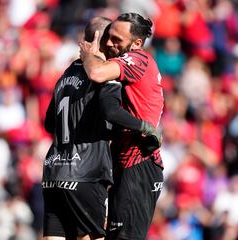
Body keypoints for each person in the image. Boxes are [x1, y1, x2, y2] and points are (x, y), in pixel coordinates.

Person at [42, 17, 160, 240]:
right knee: (92, 237)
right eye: (109, 38)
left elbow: (49, 123)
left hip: (53, 170)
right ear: (99, 39)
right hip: (86, 171)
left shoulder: (65, 75)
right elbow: (111, 112)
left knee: (53, 236)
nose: (111, 45)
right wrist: (144, 127)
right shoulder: (104, 76)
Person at [79, 13, 164, 240]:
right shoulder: (134, 61)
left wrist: (89, 55)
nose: (109, 43)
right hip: (128, 163)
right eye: (109, 37)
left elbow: (96, 73)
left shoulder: (138, 59)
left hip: (138, 163)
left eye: (117, 39)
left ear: (137, 43)